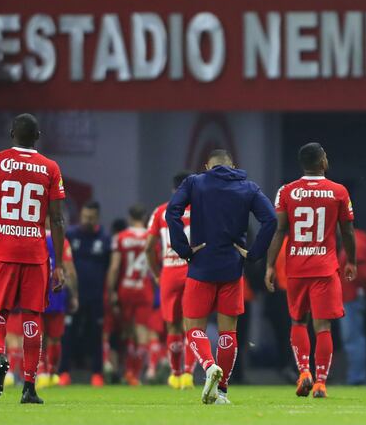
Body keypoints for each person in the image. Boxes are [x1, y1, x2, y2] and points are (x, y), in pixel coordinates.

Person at [0, 112, 67, 404]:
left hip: (3, 250)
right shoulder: (51, 167)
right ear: (38, 137)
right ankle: (29, 386)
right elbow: (58, 220)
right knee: (32, 316)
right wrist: (59, 264)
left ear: (11, 133)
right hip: (36, 252)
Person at [167, 149, 276, 405]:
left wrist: (183, 249)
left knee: (193, 327)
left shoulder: (195, 182)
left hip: (201, 265)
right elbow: (270, 219)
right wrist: (254, 253)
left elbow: (172, 211)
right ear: (233, 165)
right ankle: (223, 391)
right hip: (232, 268)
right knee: (229, 333)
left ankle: (207, 366)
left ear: (207, 166)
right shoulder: (248, 188)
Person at [265, 143, 357, 398]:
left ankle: (304, 371)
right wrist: (351, 260)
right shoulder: (339, 191)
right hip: (325, 268)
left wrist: (270, 265)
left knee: (297, 321)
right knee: (323, 326)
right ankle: (321, 382)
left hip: (295, 267)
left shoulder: (286, 191)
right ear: (322, 162)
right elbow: (347, 231)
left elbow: (280, 230)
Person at [145, 171, 195, 390]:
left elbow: (148, 248)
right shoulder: (201, 209)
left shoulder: (159, 212)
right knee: (193, 324)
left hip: (169, 273)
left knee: (172, 326)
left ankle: (174, 374)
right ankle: (188, 374)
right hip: (193, 271)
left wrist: (157, 273)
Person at [61, 201, 110, 387]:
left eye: (91, 218)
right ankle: (63, 372)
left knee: (96, 335)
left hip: (95, 295)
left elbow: (108, 267)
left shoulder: (104, 237)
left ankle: (97, 374)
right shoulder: (71, 234)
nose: (87, 220)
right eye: (85, 217)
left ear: (97, 218)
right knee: (68, 334)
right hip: (73, 294)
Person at [107, 204, 155, 385]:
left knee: (127, 332)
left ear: (129, 217)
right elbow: (154, 263)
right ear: (144, 217)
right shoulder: (151, 237)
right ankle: (133, 373)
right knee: (142, 333)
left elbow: (114, 267)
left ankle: (126, 370)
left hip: (125, 289)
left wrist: (111, 291)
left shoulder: (120, 237)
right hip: (144, 288)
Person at [37, 223, 78, 389]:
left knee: (36, 335)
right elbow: (70, 270)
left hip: (35, 292)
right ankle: (52, 373)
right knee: (54, 337)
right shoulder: (62, 241)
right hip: (56, 293)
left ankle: (38, 373)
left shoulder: (33, 237)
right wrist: (74, 295)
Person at [339, 227, 366, 386]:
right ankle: (357, 375)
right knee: (354, 337)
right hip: (350, 296)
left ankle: (357, 377)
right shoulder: (357, 241)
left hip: (352, 296)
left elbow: (362, 273)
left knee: (353, 337)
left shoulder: (357, 242)